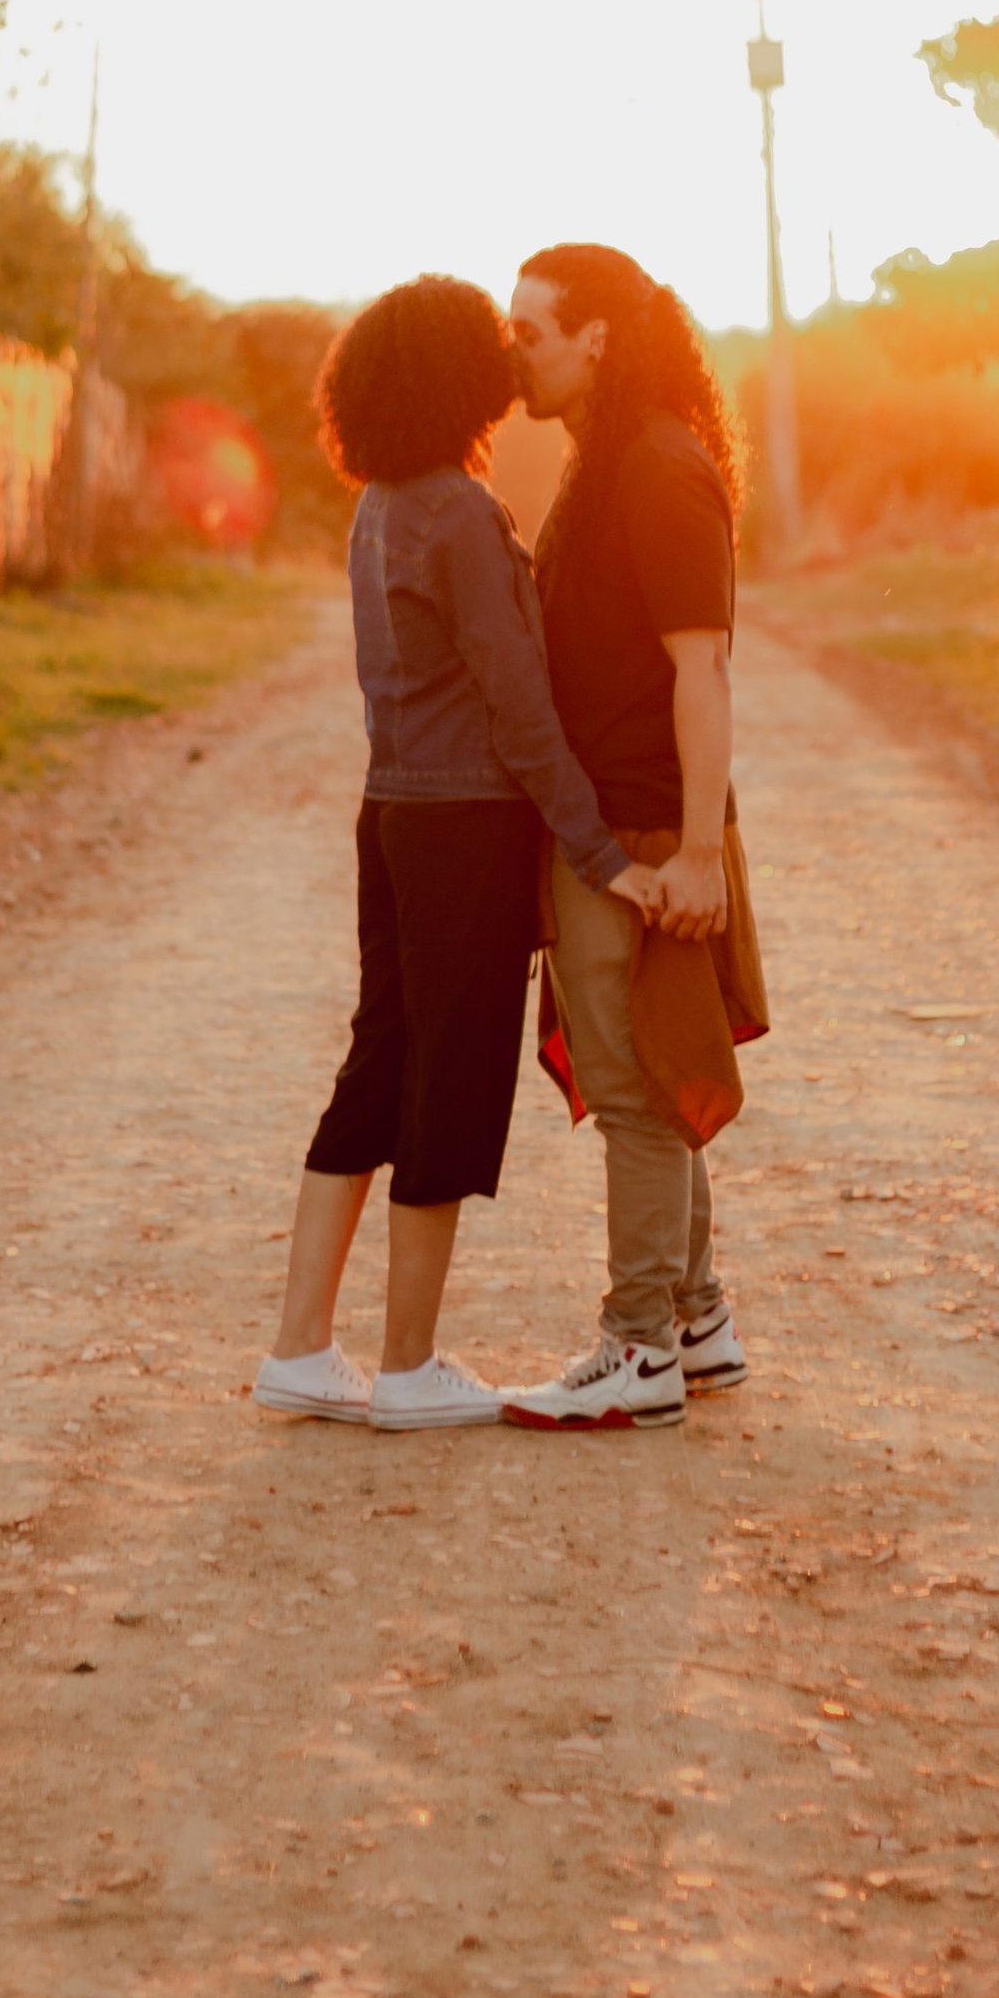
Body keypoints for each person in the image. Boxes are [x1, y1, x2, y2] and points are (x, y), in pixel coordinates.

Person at [257, 274, 667, 1433]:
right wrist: (598, 851)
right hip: (463, 828)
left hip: (388, 812)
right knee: (448, 1079)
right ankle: (408, 1366)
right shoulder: (461, 511)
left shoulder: (380, 504)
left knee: (378, 1065)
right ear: (454, 376)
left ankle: (301, 1346)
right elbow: (518, 705)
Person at [494, 242, 767, 1433]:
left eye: (532, 333)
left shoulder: (658, 465)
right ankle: (696, 1319)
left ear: (596, 336)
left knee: (636, 1093)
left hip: (649, 834)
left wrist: (696, 854)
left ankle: (637, 1346)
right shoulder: (609, 461)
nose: (517, 357)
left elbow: (699, 668)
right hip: (618, 825)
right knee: (646, 1079)